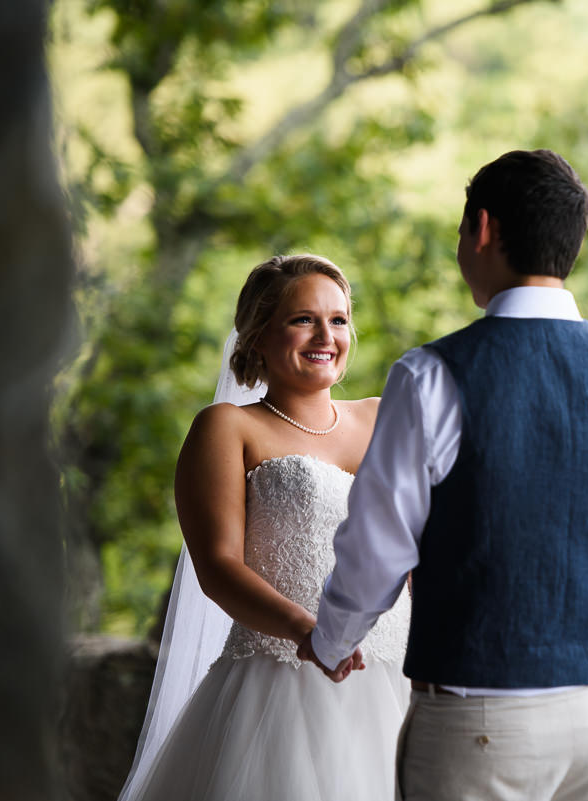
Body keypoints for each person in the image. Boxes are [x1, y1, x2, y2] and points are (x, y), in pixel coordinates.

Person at [296, 149, 588, 801]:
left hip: (481, 717)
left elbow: (376, 552)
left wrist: (330, 640)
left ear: (483, 229)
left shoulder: (432, 374)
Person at [118, 255, 411, 801]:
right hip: (279, 690)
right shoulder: (227, 427)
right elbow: (218, 567)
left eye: (339, 320)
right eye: (303, 319)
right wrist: (309, 632)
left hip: (398, 684)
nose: (326, 335)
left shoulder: (383, 415)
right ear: (258, 335)